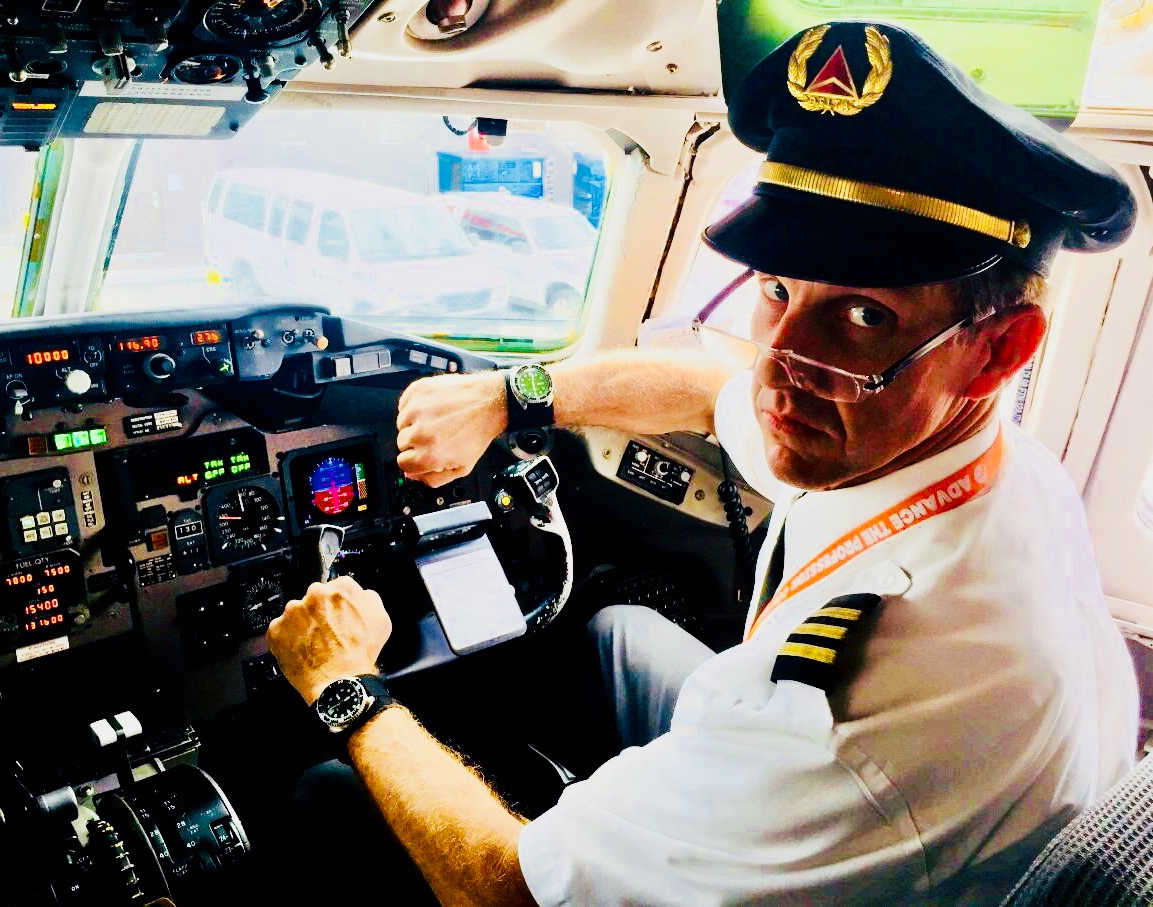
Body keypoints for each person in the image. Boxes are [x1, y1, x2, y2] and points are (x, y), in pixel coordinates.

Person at [266, 21, 1140, 905]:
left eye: (864, 316)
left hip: (863, 813)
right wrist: (510, 395)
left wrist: (344, 682)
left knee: (329, 792)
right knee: (616, 634)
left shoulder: (848, 714)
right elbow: (713, 387)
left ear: (999, 349)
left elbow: (501, 890)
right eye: (778, 290)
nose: (780, 368)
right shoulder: (987, 459)